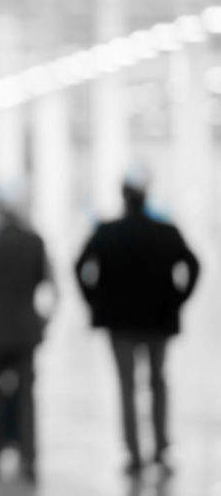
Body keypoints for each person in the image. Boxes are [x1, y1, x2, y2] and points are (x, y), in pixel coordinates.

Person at [74, 165, 200, 478]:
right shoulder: (166, 232)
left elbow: (79, 267)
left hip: (121, 324)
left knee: (127, 386)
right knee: (158, 382)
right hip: (158, 321)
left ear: (123, 195)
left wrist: (95, 302)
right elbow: (194, 266)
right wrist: (178, 300)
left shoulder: (107, 232)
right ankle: (160, 449)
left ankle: (134, 453)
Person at [0, 181, 54, 482]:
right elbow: (49, 287)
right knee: (27, 396)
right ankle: (29, 458)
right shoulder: (35, 242)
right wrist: (44, 321)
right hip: (26, 330)